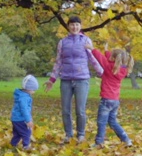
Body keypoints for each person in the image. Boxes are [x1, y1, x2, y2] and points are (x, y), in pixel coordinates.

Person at [44, 16, 104, 144]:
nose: (74, 27)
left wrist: (103, 73)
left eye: (77, 24)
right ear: (68, 26)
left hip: (81, 80)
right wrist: (52, 79)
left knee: (80, 110)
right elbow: (58, 62)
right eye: (72, 25)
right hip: (65, 79)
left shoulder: (86, 40)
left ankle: (81, 135)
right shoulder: (62, 42)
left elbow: (93, 58)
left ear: (80, 26)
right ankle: (68, 135)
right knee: (66, 110)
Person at [86, 44, 134, 148]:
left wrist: (93, 49)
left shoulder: (108, 68)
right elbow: (108, 59)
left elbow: (101, 59)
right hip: (115, 101)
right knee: (112, 122)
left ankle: (99, 142)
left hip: (106, 100)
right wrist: (107, 50)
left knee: (101, 122)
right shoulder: (122, 70)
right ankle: (126, 139)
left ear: (113, 58)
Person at [10, 74, 39, 150]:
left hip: (15, 119)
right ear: (28, 89)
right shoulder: (24, 98)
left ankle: (13, 144)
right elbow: (24, 109)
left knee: (17, 133)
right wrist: (28, 120)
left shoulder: (21, 95)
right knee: (27, 133)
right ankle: (26, 146)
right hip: (21, 119)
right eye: (33, 90)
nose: (34, 92)